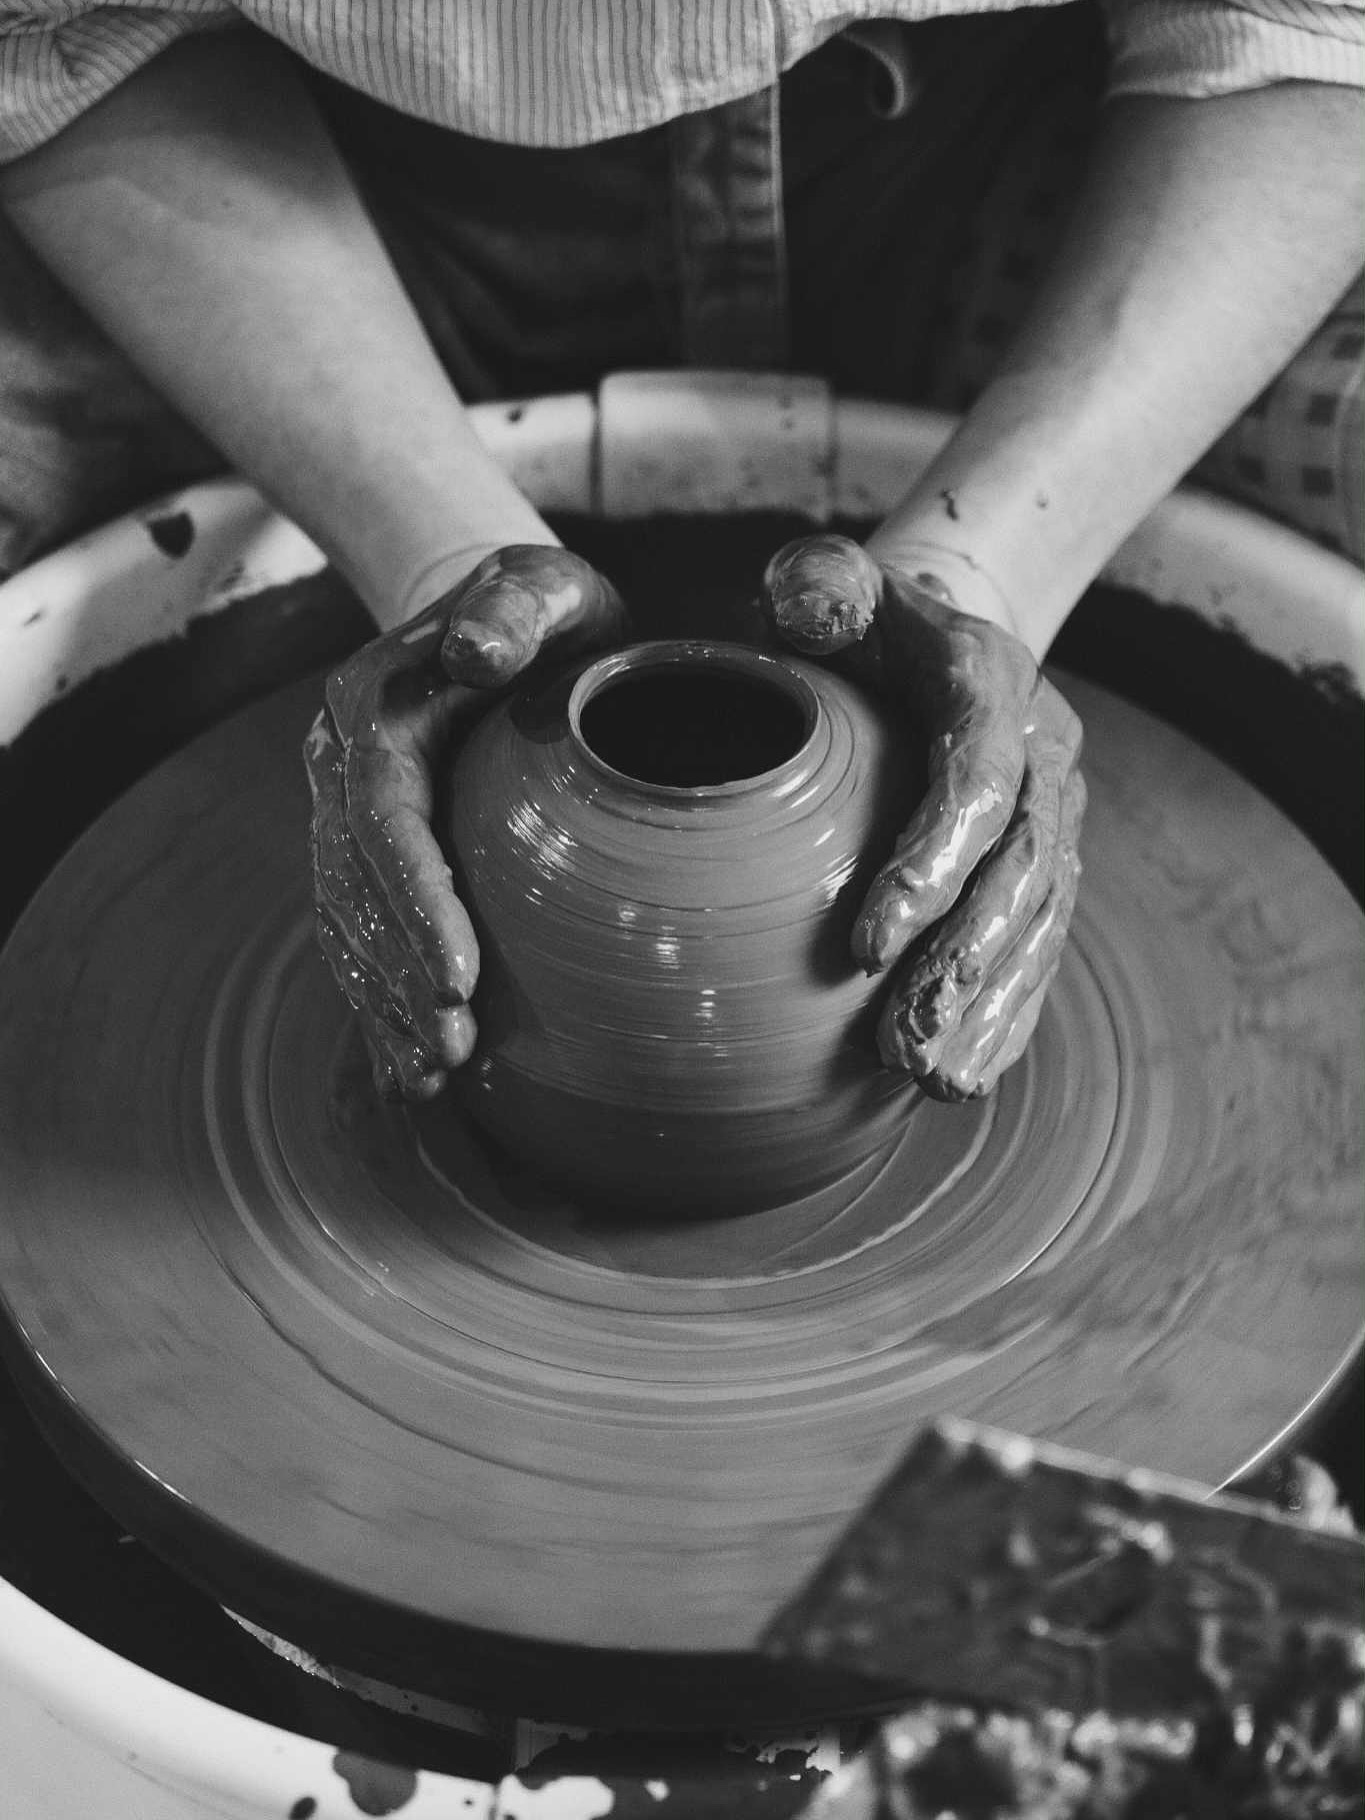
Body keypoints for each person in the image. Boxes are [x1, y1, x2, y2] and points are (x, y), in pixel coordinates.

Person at [0, 4, 1360, 1108]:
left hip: (1047, 146)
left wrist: (987, 574)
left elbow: (1308, 24)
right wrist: (436, 555)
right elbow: (64, 34)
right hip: (293, 168)